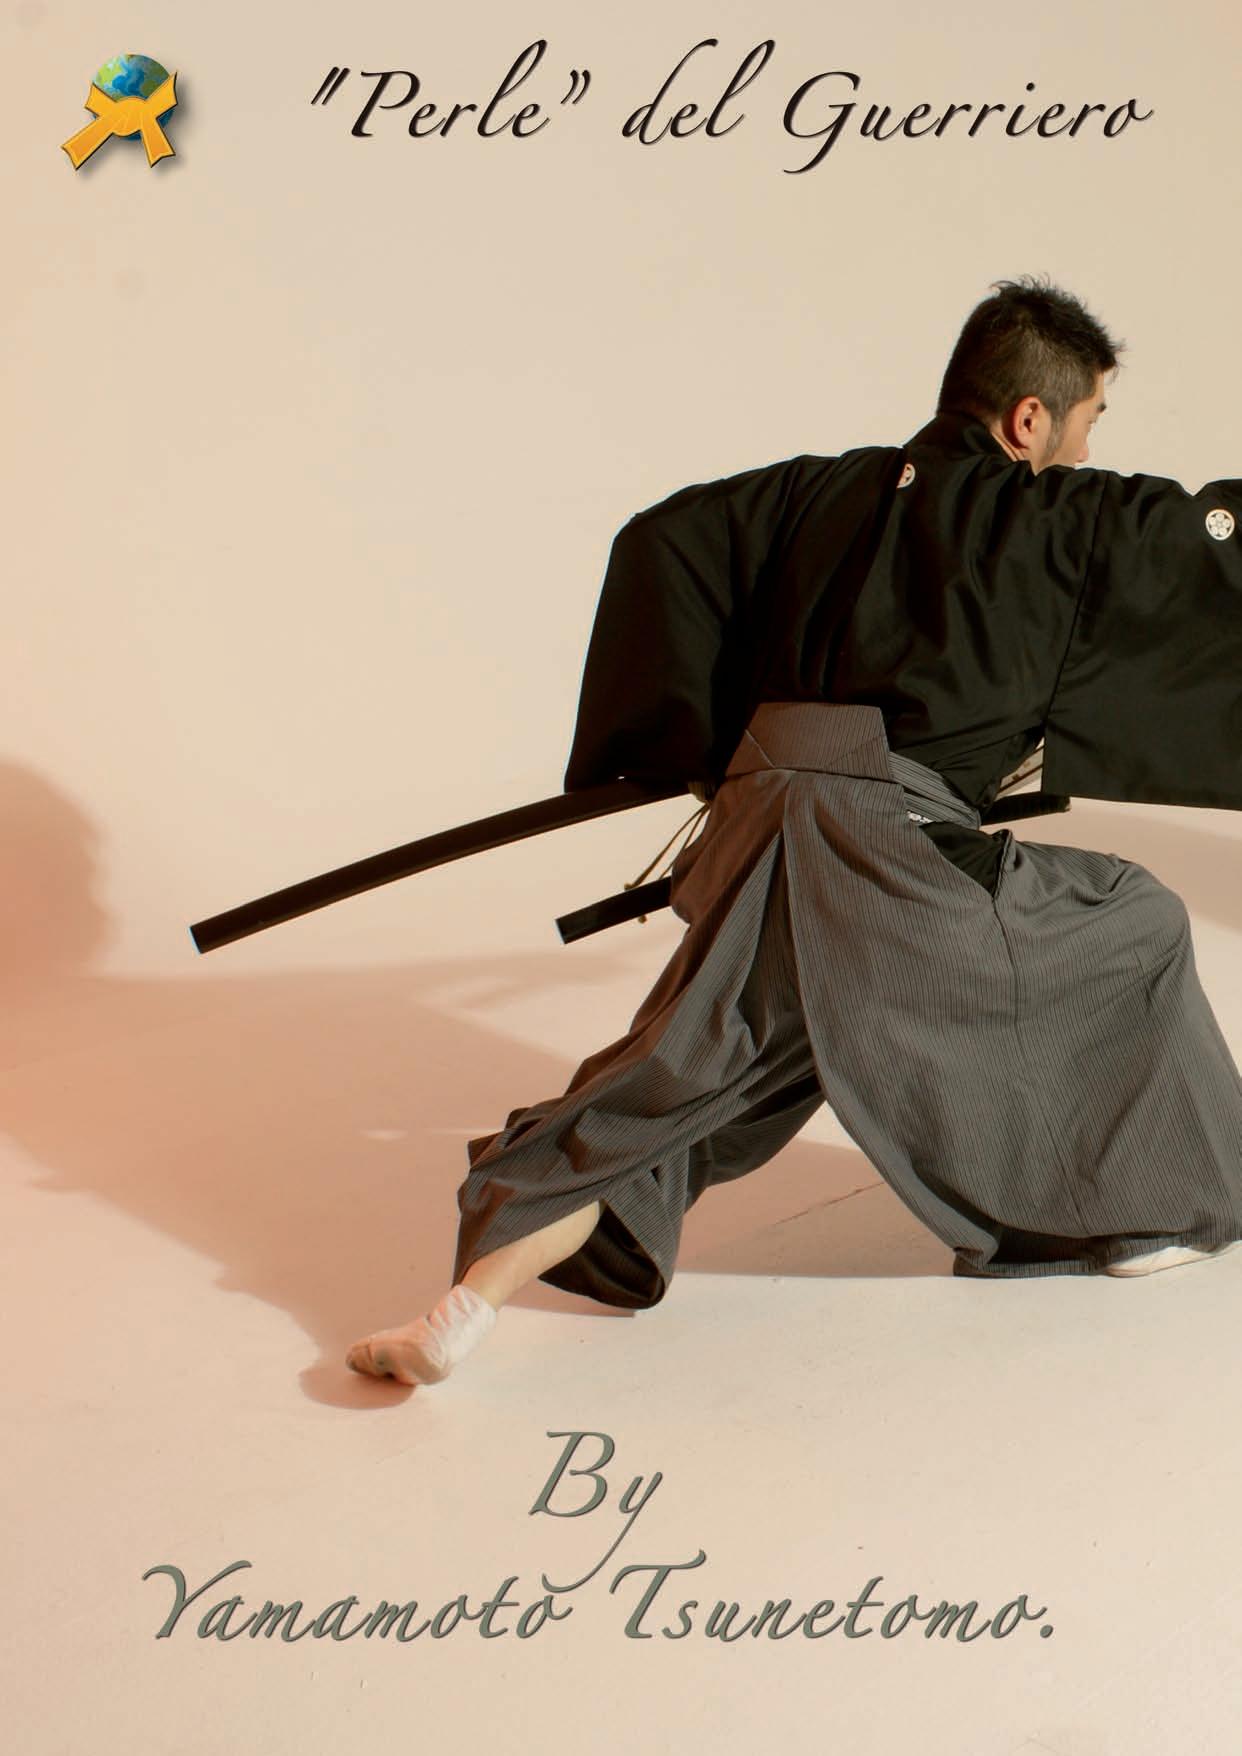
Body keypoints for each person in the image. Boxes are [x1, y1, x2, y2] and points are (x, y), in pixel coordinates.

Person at [347, 275, 1242, 1387]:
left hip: (760, 824)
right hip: (879, 852)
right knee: (1135, 920)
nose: (1087, 447)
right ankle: (1146, 1212)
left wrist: (689, 747)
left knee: (685, 1076)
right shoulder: (1054, 516)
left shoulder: (806, 494)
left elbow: (666, 541)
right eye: (1088, 419)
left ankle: (460, 1313)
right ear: (1029, 419)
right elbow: (1200, 552)